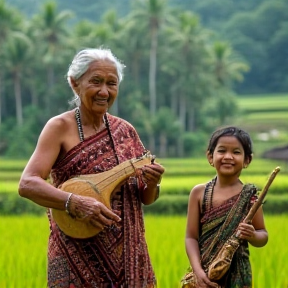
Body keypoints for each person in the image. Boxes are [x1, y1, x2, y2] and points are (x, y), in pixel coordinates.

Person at [18, 47, 165, 288]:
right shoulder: (59, 128)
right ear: (75, 83)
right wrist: (75, 202)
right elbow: (28, 183)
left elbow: (146, 198)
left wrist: (153, 181)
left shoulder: (126, 131)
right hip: (75, 255)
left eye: (112, 83)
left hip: (130, 259)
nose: (104, 91)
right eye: (96, 82)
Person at [184, 126, 268, 288]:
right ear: (210, 156)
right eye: (222, 151)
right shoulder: (199, 193)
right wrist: (198, 272)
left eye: (236, 152)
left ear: (247, 160)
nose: (228, 157)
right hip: (205, 271)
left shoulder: (250, 196)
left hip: (238, 275)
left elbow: (263, 234)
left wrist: (252, 235)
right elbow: (191, 237)